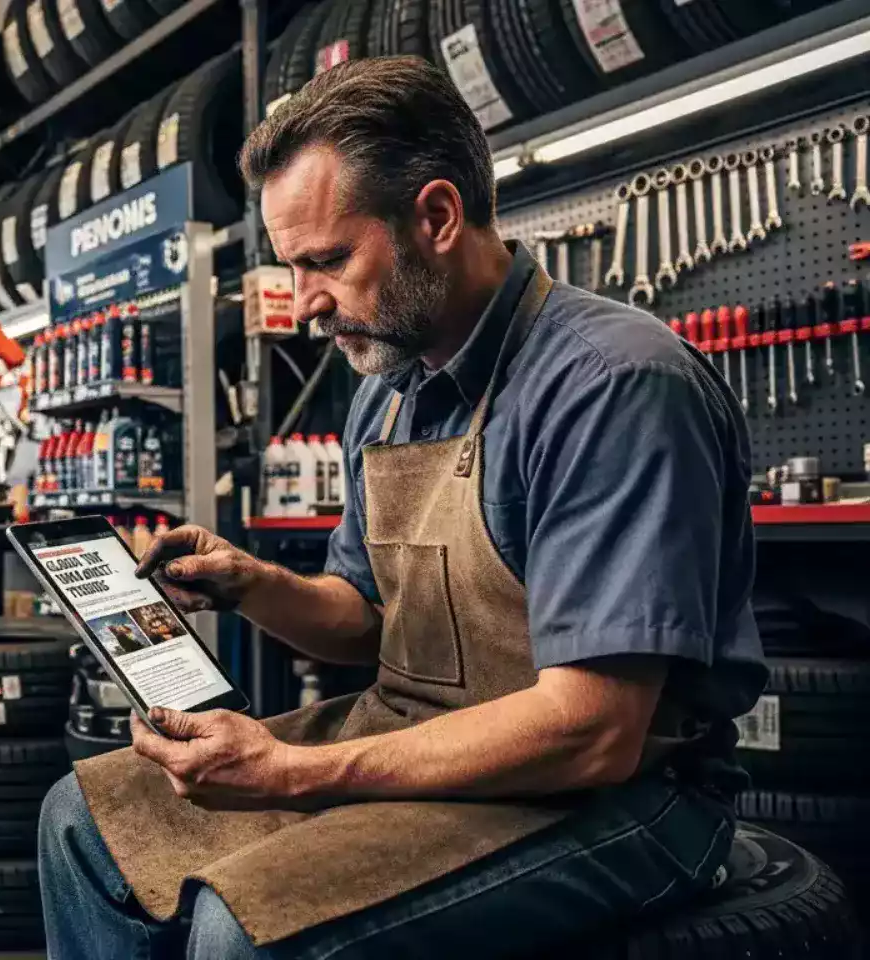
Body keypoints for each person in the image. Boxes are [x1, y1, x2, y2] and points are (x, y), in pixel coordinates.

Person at [37, 55, 767, 960]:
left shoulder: (611, 382)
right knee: (81, 819)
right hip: (418, 738)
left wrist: (297, 775)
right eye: (292, 267)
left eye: (328, 261)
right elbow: (367, 622)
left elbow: (594, 732)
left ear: (435, 216)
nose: (304, 303)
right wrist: (253, 583)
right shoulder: (387, 388)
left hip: (629, 792)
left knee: (245, 931)